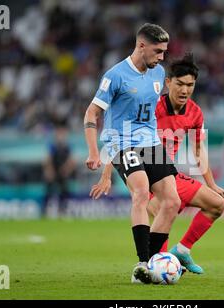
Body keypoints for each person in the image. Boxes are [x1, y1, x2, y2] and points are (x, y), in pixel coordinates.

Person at [90, 54, 224, 274]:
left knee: (217, 204)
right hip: (146, 174)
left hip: (169, 174)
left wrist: (212, 184)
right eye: (180, 84)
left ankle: (182, 251)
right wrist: (107, 174)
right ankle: (155, 264)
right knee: (164, 207)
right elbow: (122, 136)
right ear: (168, 83)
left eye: (190, 85)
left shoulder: (195, 113)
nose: (185, 90)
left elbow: (198, 150)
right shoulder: (152, 106)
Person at [83, 23, 181, 284]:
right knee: (140, 191)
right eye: (158, 51)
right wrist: (96, 152)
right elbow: (92, 112)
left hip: (150, 142)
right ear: (141, 46)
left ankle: (151, 262)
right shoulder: (115, 75)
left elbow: (152, 111)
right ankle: (141, 264)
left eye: (164, 52)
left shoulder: (159, 73)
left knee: (172, 202)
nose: (162, 57)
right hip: (122, 143)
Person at [44, 121, 77, 205]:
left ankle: (63, 209)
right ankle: (45, 208)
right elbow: (48, 159)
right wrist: (49, 171)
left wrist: (66, 170)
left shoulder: (67, 146)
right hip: (54, 171)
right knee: (49, 191)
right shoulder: (53, 145)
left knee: (64, 192)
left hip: (63, 173)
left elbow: (72, 161)